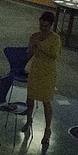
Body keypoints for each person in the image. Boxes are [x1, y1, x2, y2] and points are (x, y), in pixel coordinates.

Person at [22, 11, 62, 145]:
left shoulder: (55, 38)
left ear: (51, 25)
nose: (43, 28)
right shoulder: (34, 36)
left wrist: (41, 46)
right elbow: (30, 52)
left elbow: (54, 55)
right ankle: (28, 120)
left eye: (45, 26)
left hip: (48, 71)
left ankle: (48, 129)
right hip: (36, 69)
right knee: (30, 98)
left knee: (46, 102)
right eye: (41, 25)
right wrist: (32, 48)